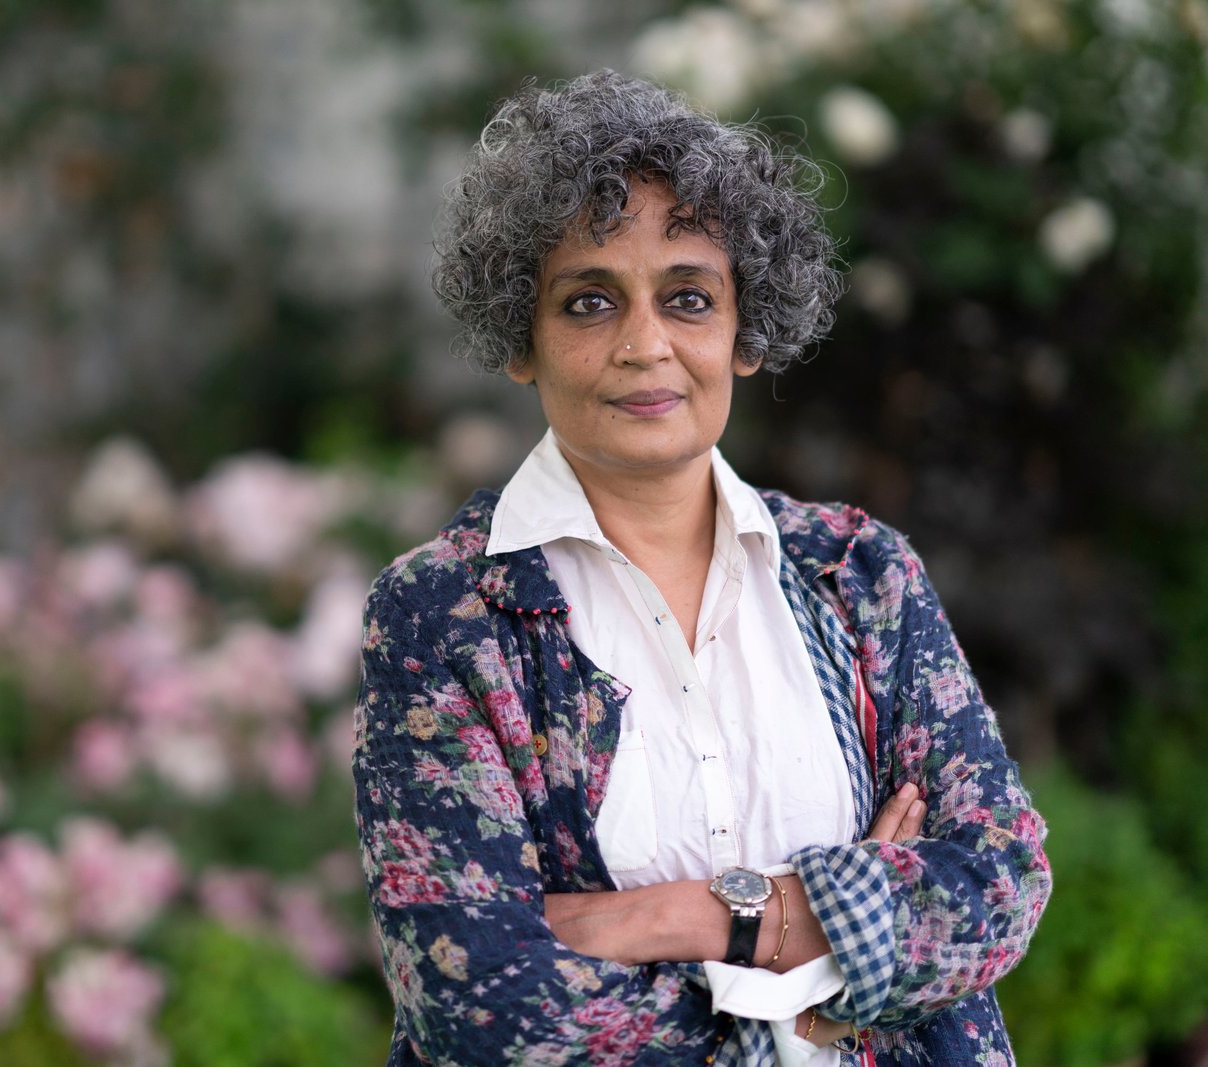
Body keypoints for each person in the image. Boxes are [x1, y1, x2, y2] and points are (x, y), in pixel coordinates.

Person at [350, 70, 1051, 1066]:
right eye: (589, 301)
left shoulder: (860, 574)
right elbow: (481, 1000)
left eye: (687, 298)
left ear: (743, 331)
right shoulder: (443, 615)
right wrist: (841, 939)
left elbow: (1000, 881)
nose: (646, 345)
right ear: (522, 338)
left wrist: (680, 917)